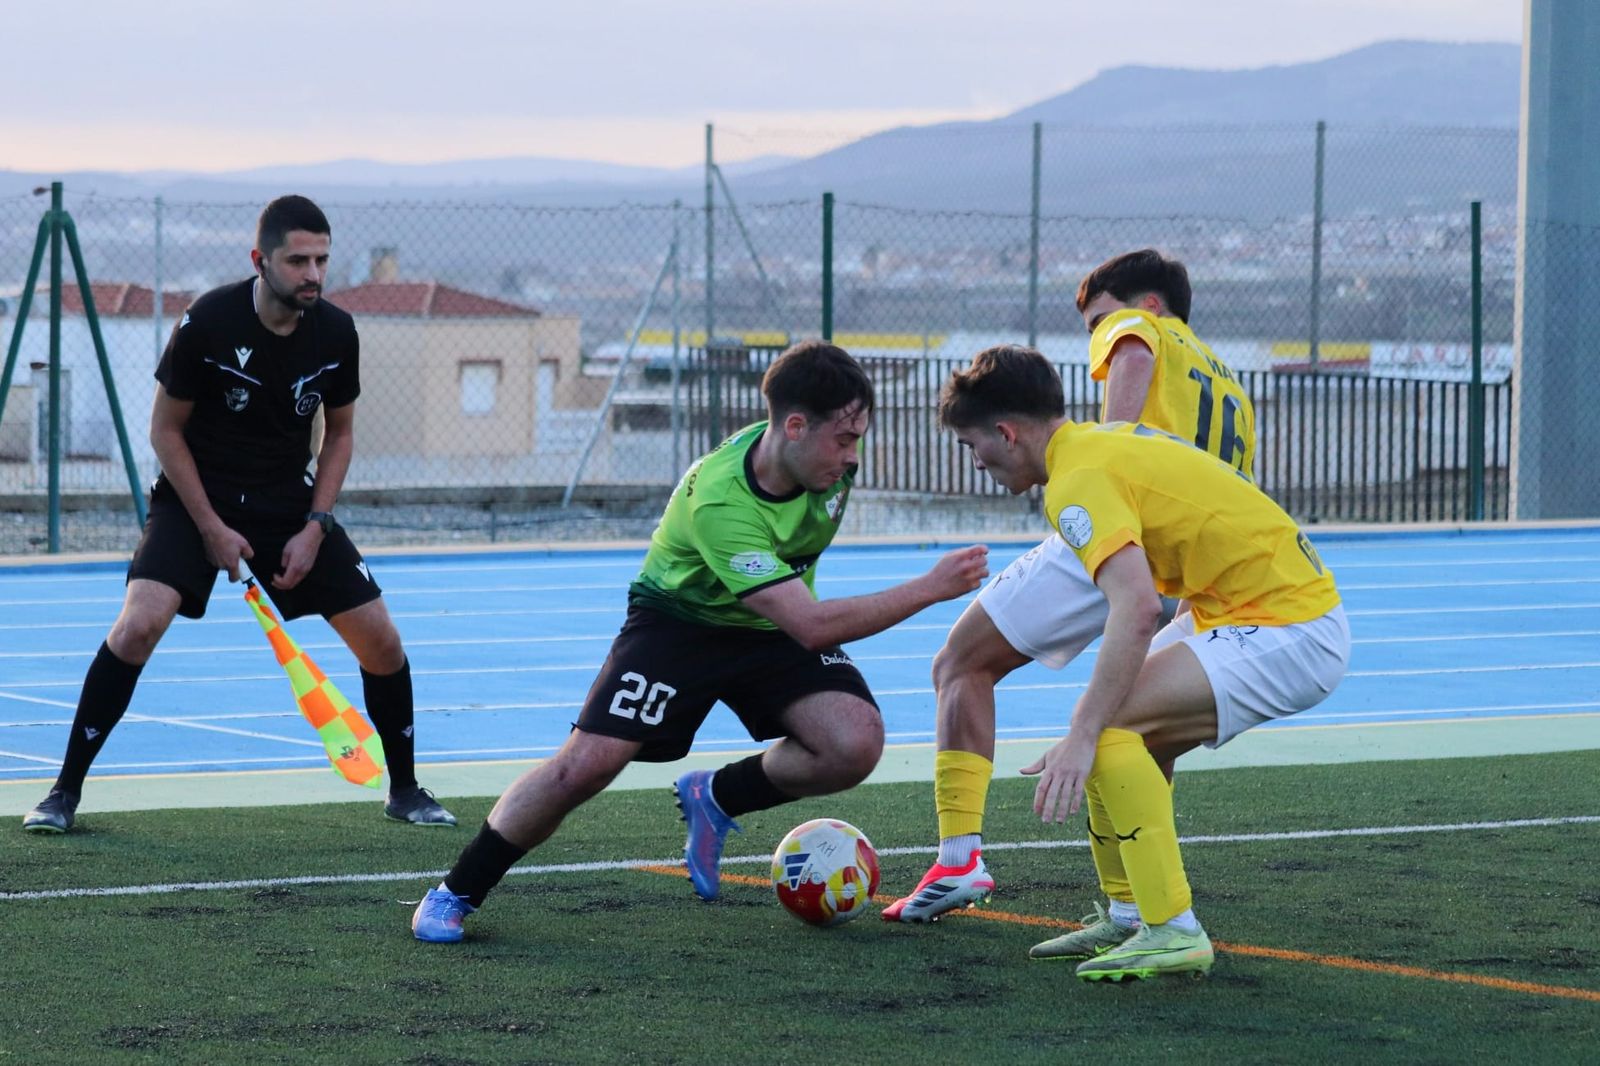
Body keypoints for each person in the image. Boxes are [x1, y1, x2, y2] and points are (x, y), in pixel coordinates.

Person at [411, 340, 990, 943]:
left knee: (854, 741)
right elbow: (813, 626)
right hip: (679, 622)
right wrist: (930, 587)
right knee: (583, 769)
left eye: (857, 438)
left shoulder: (824, 462)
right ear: (794, 427)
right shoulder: (721, 500)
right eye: (843, 440)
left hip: (768, 621)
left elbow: (796, 610)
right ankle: (456, 891)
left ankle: (716, 795)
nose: (852, 457)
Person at [21, 195, 454, 834]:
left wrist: (316, 526)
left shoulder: (337, 331)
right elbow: (165, 433)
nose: (313, 273)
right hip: (195, 497)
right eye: (298, 260)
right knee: (139, 625)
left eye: (322, 260)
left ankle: (406, 789)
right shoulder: (208, 322)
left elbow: (338, 436)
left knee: (382, 641)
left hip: (287, 503)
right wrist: (210, 528)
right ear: (261, 261)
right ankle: (63, 792)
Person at [936, 344, 1348, 979]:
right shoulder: (1101, 444)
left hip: (1289, 626)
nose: (978, 462)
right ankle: (1129, 915)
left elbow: (1135, 609)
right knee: (1111, 728)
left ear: (1006, 432)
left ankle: (1172, 928)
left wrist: (1080, 732)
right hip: (1263, 614)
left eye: (972, 446)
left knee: (1105, 729)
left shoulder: (1076, 481)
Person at [884, 249, 1257, 922]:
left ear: (1145, 305)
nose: (1097, 339)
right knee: (1141, 733)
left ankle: (958, 857)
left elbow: (1134, 353)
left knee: (960, 660)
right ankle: (1140, 904)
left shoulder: (1140, 328)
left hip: (1118, 519)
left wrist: (1105, 455)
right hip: (1183, 549)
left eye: (1097, 322)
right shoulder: (1224, 379)